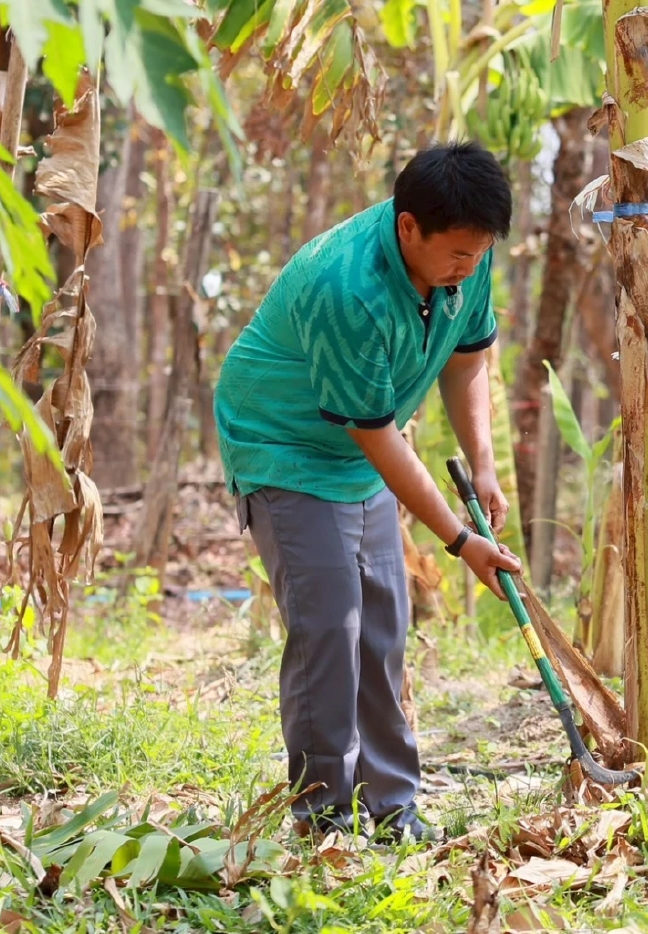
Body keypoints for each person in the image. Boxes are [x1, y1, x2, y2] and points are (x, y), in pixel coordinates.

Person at [214, 141, 522, 843]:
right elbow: (379, 436)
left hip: (363, 445)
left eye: (479, 254)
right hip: (284, 445)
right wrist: (460, 541)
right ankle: (322, 817)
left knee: (382, 624)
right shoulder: (346, 287)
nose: (467, 269)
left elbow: (470, 356)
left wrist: (485, 464)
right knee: (331, 627)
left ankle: (392, 809)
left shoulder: (465, 252)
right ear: (408, 226)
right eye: (458, 255)